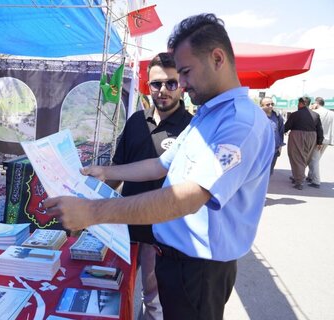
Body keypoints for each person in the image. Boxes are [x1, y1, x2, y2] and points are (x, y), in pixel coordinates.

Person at [45, 13, 274, 320]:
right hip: (175, 259)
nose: (180, 84)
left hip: (199, 270)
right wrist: (107, 172)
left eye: (185, 72)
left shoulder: (239, 123)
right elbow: (160, 164)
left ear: (217, 58)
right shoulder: (207, 115)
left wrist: (92, 211)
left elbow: (189, 197)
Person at [109, 53, 192, 320]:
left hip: (164, 237)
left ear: (181, 85)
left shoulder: (191, 128)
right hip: (125, 228)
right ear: (147, 85)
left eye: (171, 83)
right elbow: (118, 169)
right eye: (157, 84)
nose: (163, 90)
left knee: (155, 303)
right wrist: (91, 202)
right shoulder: (135, 120)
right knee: (116, 292)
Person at [284, 96, 323, 190]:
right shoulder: (315, 115)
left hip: (297, 136)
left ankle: (299, 181)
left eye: (299, 103)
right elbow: (319, 129)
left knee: (296, 157)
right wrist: (319, 141)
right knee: (304, 158)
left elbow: (287, 127)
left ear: (303, 103)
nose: (298, 105)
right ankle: (297, 176)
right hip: (312, 137)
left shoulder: (295, 114)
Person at [307, 97, 334, 188]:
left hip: (317, 140)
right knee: (316, 159)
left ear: (316, 103)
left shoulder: (316, 113)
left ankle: (316, 181)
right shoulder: (331, 113)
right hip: (327, 140)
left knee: (314, 160)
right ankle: (310, 176)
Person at [260, 96, 285, 175]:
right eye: (268, 104)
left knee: (270, 170)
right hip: (262, 149)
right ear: (261, 106)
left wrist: (280, 145)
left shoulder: (277, 116)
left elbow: (281, 131)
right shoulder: (257, 116)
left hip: (274, 149)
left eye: (272, 104)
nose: (271, 106)